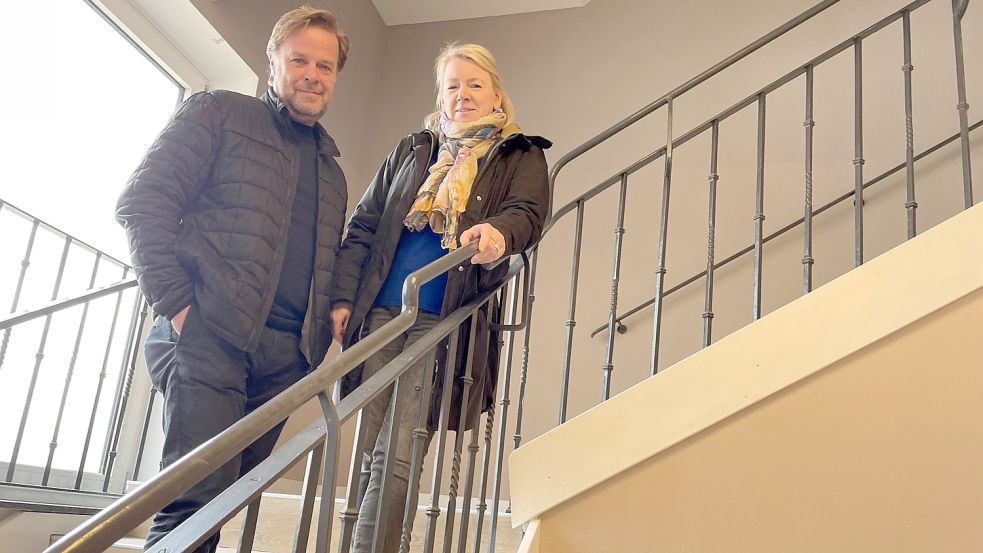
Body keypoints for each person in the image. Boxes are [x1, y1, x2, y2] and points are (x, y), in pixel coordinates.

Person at [115, 7, 349, 552]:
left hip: (286, 360)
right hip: (212, 335)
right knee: (192, 508)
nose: (312, 74)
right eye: (299, 60)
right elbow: (143, 202)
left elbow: (323, 261)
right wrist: (177, 305)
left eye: (325, 65)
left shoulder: (333, 171)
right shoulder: (218, 112)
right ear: (273, 62)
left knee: (225, 504)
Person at [329, 42, 550, 552]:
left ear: (496, 92)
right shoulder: (413, 150)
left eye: (474, 84)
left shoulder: (519, 153)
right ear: (441, 95)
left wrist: (498, 231)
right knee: (368, 446)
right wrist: (344, 296)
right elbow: (364, 225)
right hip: (382, 311)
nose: (463, 95)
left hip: (443, 316)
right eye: (453, 85)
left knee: (400, 451)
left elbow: (527, 213)